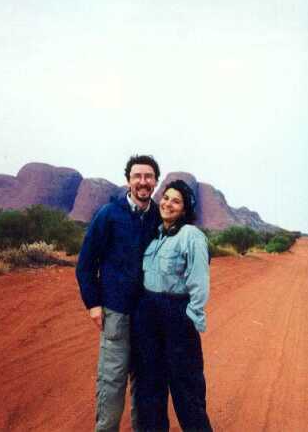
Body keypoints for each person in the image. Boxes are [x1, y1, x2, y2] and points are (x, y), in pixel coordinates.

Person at [76, 155, 162, 432]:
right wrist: (93, 304)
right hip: (116, 310)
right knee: (112, 380)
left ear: (156, 181)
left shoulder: (160, 216)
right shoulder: (109, 215)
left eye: (148, 176)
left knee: (146, 381)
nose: (143, 182)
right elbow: (86, 262)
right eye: (137, 176)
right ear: (128, 180)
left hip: (149, 314)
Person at [132, 179, 213, 432]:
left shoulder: (191, 235)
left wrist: (191, 317)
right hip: (148, 314)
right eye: (166, 198)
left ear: (185, 209)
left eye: (176, 201)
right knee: (151, 384)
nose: (168, 204)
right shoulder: (155, 235)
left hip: (176, 313)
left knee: (186, 387)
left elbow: (199, 281)